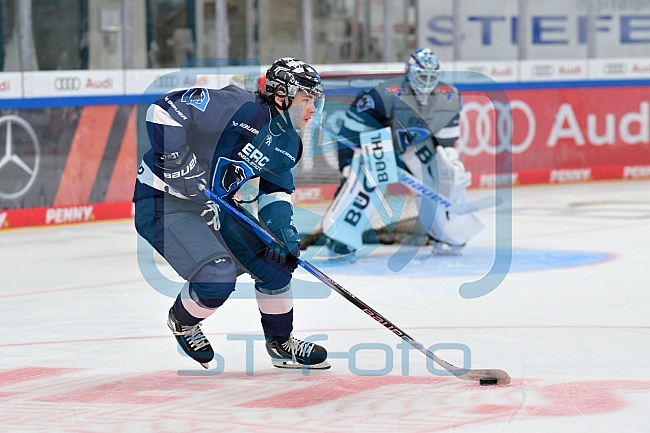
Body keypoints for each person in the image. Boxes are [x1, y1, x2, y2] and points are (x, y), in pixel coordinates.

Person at [133, 57, 330, 370]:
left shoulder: (288, 142)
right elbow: (162, 111)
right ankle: (183, 322)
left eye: (315, 101)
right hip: (163, 201)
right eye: (307, 99)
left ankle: (281, 342)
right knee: (216, 277)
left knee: (275, 262)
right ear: (282, 95)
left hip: (214, 204)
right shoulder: (237, 107)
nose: (312, 109)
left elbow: (275, 191)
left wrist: (283, 231)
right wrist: (177, 160)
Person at [322, 47, 483, 256]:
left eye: (431, 76)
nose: (426, 82)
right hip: (378, 144)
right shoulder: (383, 94)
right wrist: (348, 164)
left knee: (443, 176)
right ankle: (342, 236)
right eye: (422, 75)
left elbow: (445, 141)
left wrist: (451, 161)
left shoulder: (449, 97)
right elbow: (351, 129)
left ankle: (449, 232)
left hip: (415, 147)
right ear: (409, 72)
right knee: (368, 175)